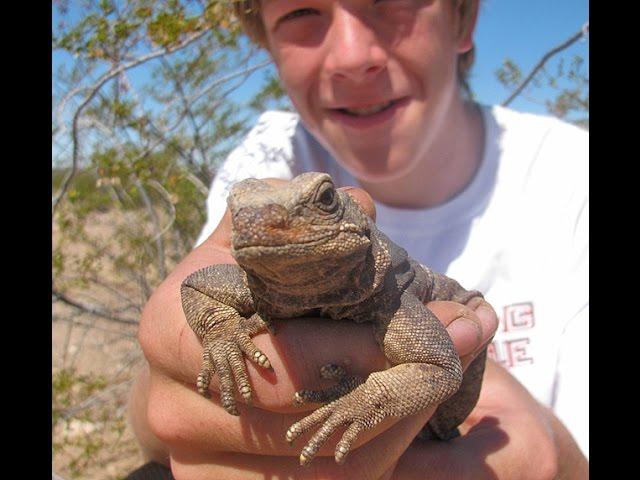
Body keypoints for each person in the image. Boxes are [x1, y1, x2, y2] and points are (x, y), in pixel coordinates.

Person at [128, 0, 589, 478]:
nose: (351, 57)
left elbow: (438, 368)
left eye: (391, 3)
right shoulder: (263, 159)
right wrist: (194, 365)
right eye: (302, 13)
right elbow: (198, 290)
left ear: (464, 19)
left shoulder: (572, 176)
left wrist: (553, 460)